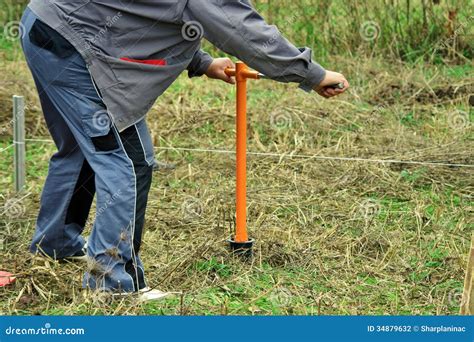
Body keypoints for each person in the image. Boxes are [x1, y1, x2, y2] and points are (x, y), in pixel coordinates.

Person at [21, 0, 349, 300]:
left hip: (47, 26)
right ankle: (111, 285)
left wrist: (201, 62)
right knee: (127, 162)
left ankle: (55, 245)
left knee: (80, 149)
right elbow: (242, 29)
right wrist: (313, 74)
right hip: (73, 46)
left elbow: (148, 13)